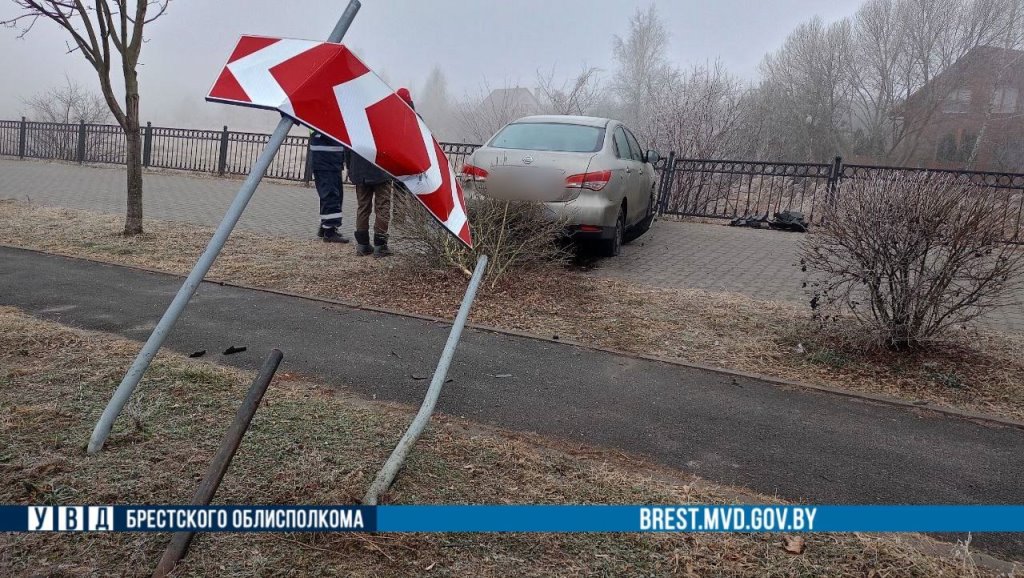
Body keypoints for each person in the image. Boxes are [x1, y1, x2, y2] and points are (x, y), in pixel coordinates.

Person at [348, 87, 416, 257]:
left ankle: (362, 245)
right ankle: (380, 245)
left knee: (363, 207)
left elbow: (347, 146)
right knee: (382, 207)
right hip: (380, 170)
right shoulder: (389, 116)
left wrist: (351, 167)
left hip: (360, 169)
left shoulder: (357, 117)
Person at [310, 130, 349, 243]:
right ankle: (329, 231)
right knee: (330, 195)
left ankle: (325, 227)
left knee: (332, 194)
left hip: (329, 159)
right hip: (327, 159)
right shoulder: (322, 118)